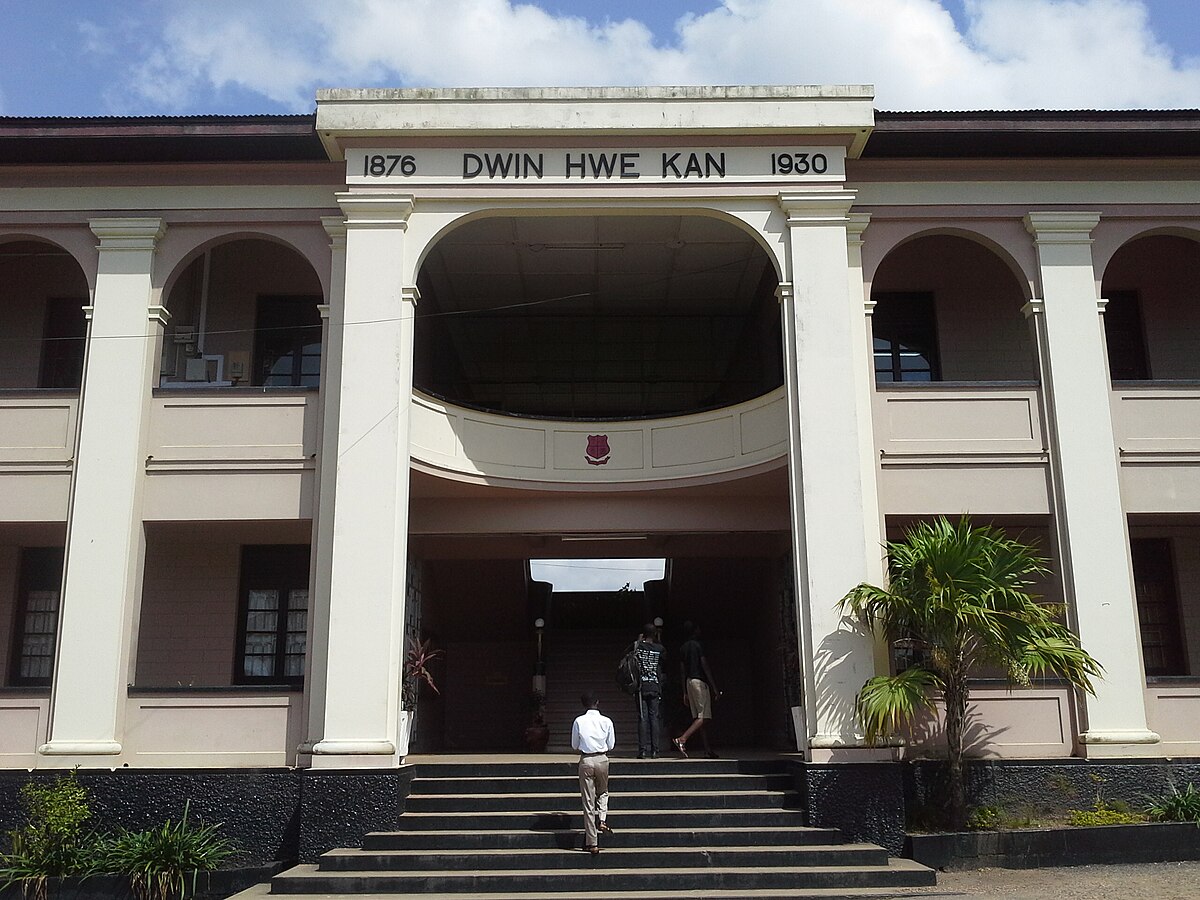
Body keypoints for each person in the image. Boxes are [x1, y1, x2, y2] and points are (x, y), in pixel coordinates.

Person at [570, 690, 615, 854]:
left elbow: (574, 745)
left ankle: (592, 842)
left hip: (586, 760)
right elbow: (611, 745)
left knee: (588, 802)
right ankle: (602, 819)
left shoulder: (579, 721)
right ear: (598, 702)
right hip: (602, 759)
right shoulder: (607, 721)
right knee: (603, 792)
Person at [674, 621, 720, 758]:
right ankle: (682, 739)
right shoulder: (698, 646)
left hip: (689, 682)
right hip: (699, 681)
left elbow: (682, 671)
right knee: (703, 717)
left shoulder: (682, 648)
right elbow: (704, 664)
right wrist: (714, 687)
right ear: (695, 631)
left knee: (698, 718)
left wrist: (684, 692)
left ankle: (707, 749)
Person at [632, 623, 665, 758]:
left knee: (642, 717)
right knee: (654, 718)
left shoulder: (638, 646)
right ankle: (655, 750)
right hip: (655, 685)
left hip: (641, 687)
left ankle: (642, 750)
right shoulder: (659, 648)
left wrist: (640, 640)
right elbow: (664, 661)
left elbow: (631, 654)